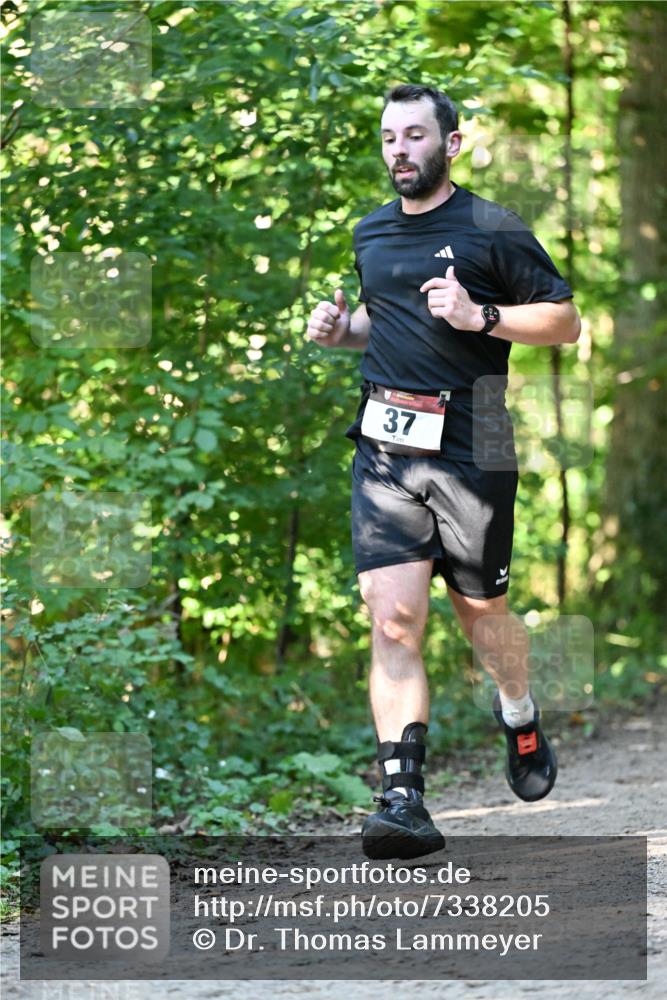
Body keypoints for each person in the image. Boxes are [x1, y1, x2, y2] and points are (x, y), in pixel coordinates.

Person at [306, 83, 580, 861]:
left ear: (450, 144)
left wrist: (481, 317)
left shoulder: (494, 228)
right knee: (391, 616)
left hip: (475, 438)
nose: (399, 150)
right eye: (389, 137)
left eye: (415, 136)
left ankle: (518, 711)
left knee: (481, 616)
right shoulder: (371, 233)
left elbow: (563, 321)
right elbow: (382, 324)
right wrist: (339, 332)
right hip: (386, 443)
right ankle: (402, 798)